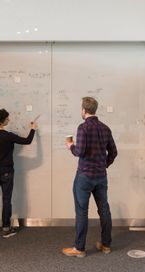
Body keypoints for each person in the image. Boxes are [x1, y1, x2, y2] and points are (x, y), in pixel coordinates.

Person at [62, 97, 118, 257]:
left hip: (84, 176)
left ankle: (79, 249)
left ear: (84, 110)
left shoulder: (83, 128)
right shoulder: (105, 128)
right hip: (101, 176)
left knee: (82, 212)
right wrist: (104, 164)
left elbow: (79, 152)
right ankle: (106, 245)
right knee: (104, 210)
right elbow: (114, 152)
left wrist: (70, 146)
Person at [0, 108, 37, 238]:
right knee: (7, 200)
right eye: (7, 118)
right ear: (2, 120)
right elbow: (27, 141)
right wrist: (33, 128)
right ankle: (6, 228)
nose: (9, 119)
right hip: (7, 172)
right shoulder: (8, 136)